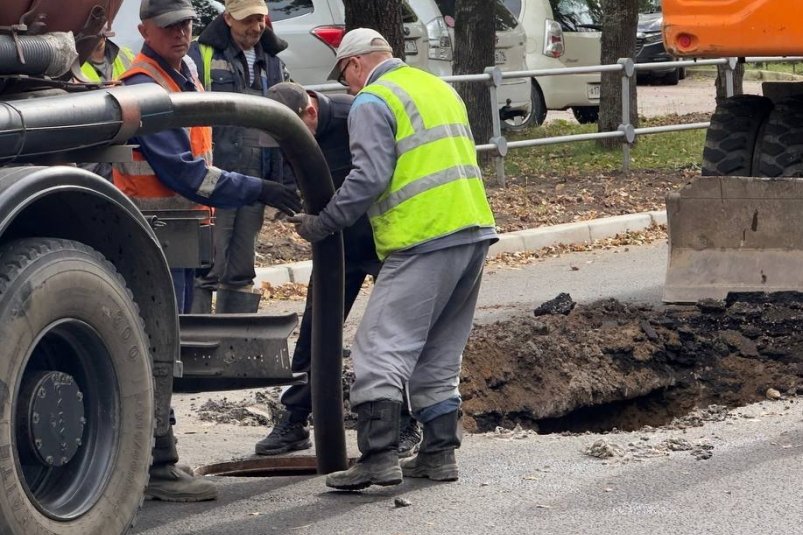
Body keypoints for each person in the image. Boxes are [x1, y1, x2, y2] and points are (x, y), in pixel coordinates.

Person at [287, 29, 498, 491]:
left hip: (423, 237)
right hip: (473, 230)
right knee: (440, 353)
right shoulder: (438, 88)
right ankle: (439, 454)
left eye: (345, 76)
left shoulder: (373, 101)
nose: (347, 88)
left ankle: (379, 457)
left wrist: (323, 222)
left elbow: (369, 176)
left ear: (356, 64)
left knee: (379, 347)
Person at [112, 0, 301, 502]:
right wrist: (259, 188)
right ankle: (157, 465)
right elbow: (187, 173)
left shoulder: (186, 71)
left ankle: (157, 456)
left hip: (180, 231)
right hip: (155, 234)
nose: (180, 33)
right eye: (169, 27)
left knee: (165, 344)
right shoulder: (144, 86)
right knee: (158, 349)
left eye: (186, 25)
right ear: (145, 30)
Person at [254, 82, 422, 458]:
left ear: (309, 112)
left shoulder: (356, 116)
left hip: (383, 242)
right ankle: (295, 417)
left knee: (395, 333)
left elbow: (376, 175)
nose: (288, 148)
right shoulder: (293, 133)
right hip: (336, 244)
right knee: (316, 331)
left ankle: (408, 421)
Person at [186, 0, 292, 314]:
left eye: (261, 19)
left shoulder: (273, 61)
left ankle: (236, 343)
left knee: (241, 270)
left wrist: (282, 180)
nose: (256, 27)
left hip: (255, 182)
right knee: (205, 268)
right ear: (229, 18)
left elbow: (286, 122)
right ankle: (197, 346)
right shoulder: (201, 56)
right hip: (213, 180)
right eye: (248, 19)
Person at [78, 27, 135, 180]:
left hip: (129, 156)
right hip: (92, 163)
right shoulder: (68, 65)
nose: (102, 25)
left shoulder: (127, 56)